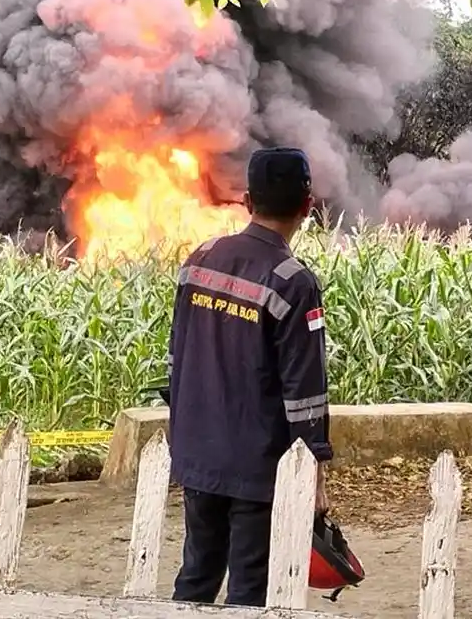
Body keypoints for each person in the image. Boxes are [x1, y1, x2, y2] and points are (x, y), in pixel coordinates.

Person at [164, 146, 334, 607]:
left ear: (246, 200)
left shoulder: (199, 259)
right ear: (308, 205)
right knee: (249, 589)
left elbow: (177, 360)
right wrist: (315, 474)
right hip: (256, 467)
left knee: (196, 576)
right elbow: (305, 393)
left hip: (198, 455)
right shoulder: (293, 280)